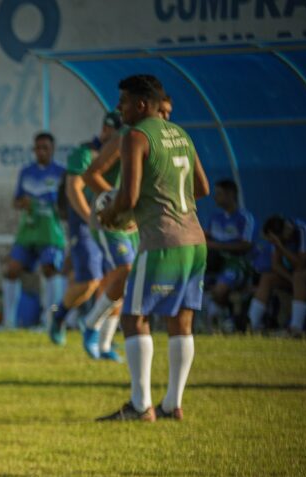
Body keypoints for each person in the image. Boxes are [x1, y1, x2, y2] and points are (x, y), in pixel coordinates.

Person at [97, 74, 210, 422]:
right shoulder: (181, 134)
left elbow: (127, 197)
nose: (119, 108)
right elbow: (201, 188)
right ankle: (172, 404)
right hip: (195, 239)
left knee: (134, 317)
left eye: (124, 101)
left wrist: (111, 216)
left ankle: (140, 405)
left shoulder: (135, 136)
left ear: (142, 104)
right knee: (181, 320)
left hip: (163, 241)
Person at [80, 95, 174, 359]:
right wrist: (116, 202)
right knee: (125, 271)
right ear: (150, 108)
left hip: (134, 221)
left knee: (125, 280)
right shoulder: (126, 135)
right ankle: (90, 325)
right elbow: (90, 175)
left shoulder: (160, 140)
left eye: (170, 114)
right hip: (110, 218)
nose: (166, 119)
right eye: (163, 112)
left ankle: (106, 344)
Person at [49, 111, 123, 352]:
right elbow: (74, 191)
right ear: (106, 130)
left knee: (117, 281)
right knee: (89, 283)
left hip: (114, 222)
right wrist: (94, 221)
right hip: (85, 224)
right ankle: (59, 316)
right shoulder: (85, 153)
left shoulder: (126, 153)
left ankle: (103, 343)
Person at [1, 132, 66, 330]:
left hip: (50, 232)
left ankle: (50, 320)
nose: (41, 152)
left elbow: (65, 205)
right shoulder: (26, 172)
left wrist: (48, 204)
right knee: (12, 269)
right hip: (28, 230)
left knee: (50, 270)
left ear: (52, 149)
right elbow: (16, 201)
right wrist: (24, 203)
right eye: (37, 148)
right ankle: (9, 321)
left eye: (45, 148)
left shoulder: (61, 173)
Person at [203, 179, 255, 331]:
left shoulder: (245, 218)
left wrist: (216, 245)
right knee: (197, 285)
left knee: (220, 290)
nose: (215, 197)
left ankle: (230, 320)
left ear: (230, 194)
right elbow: (206, 237)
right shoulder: (214, 218)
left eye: (218, 194)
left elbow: (247, 245)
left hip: (236, 263)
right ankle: (215, 321)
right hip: (214, 263)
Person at [248, 215, 306, 335]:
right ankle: (250, 324)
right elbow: (276, 265)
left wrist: (280, 247)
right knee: (267, 278)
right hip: (299, 277)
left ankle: (295, 329)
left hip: (305, 272)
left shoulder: (303, 230)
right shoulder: (281, 236)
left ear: (286, 230)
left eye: (279, 240)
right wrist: (292, 280)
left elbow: (301, 265)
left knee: (299, 276)